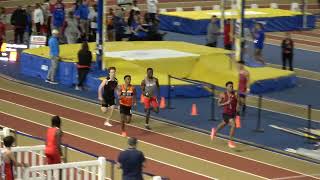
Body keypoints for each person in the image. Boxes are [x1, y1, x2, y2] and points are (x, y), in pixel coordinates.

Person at [212, 81, 239, 148]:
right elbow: (218, 104)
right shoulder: (223, 95)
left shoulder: (235, 94)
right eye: (230, 86)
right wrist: (226, 103)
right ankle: (230, 142)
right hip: (226, 113)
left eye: (232, 86)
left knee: (223, 124)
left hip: (233, 113)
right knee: (233, 125)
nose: (231, 87)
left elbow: (238, 102)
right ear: (226, 87)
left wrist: (237, 110)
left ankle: (214, 131)